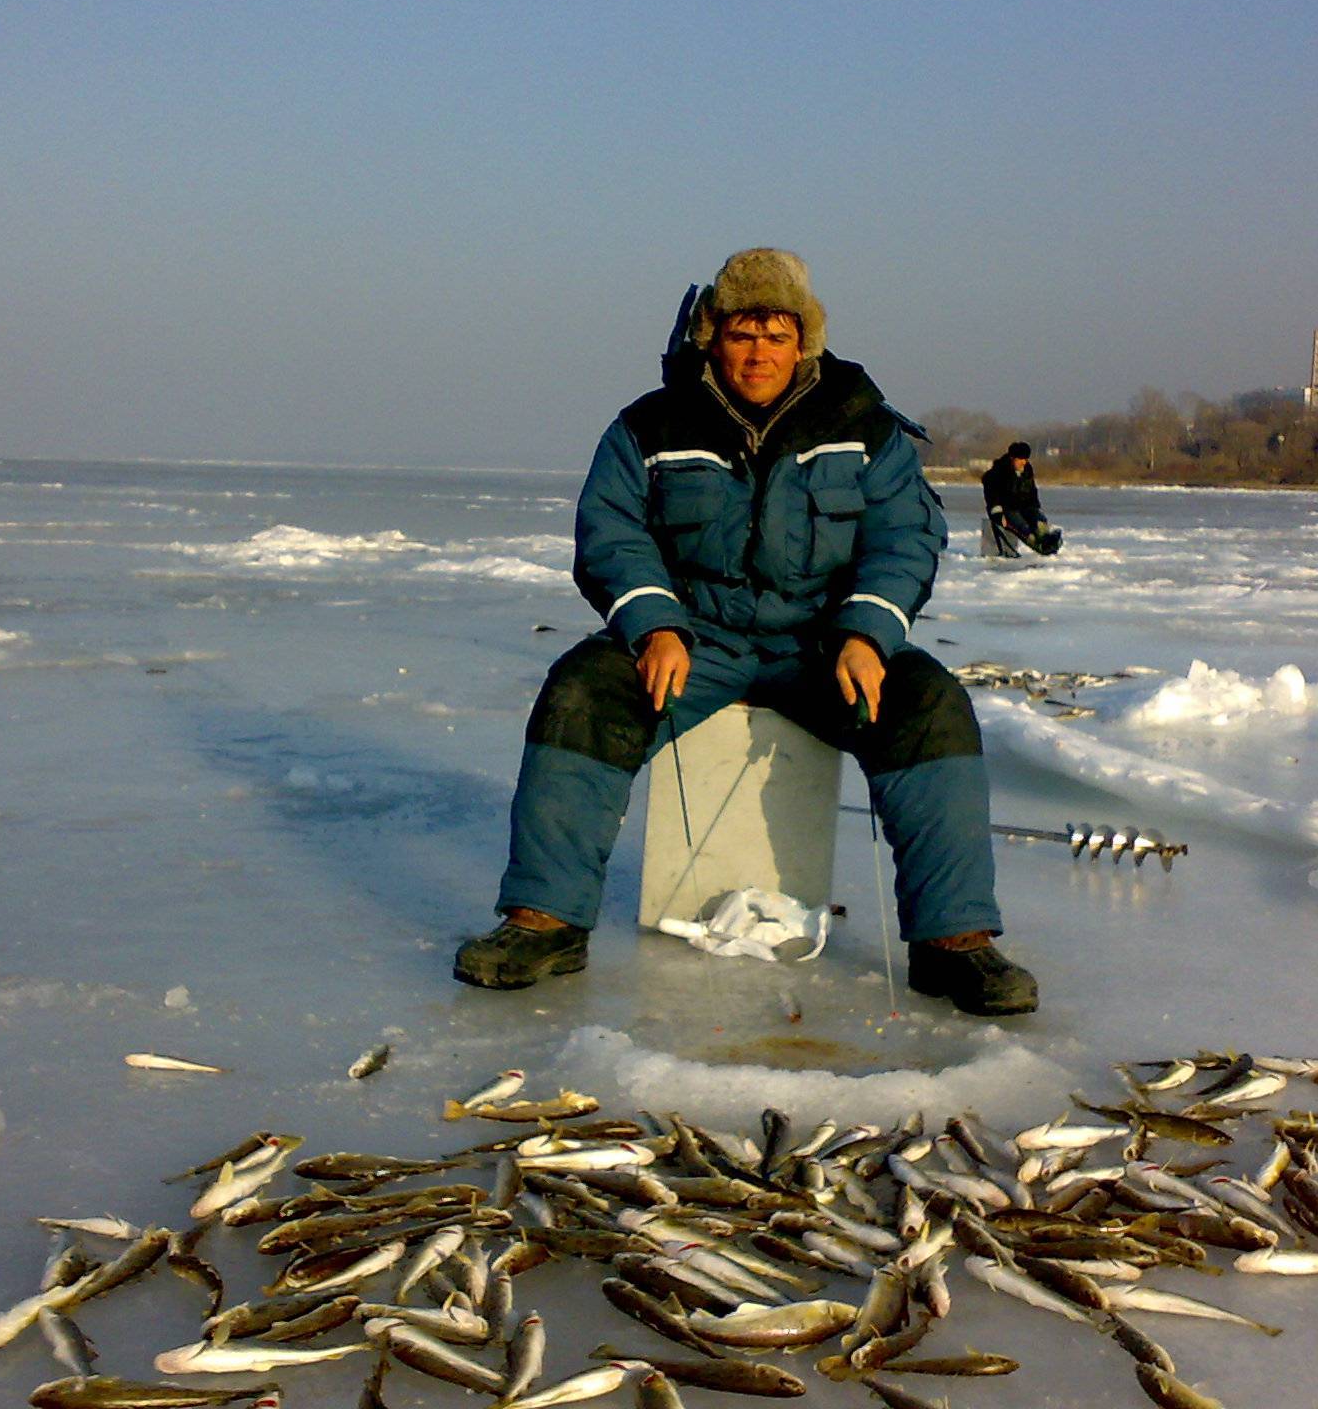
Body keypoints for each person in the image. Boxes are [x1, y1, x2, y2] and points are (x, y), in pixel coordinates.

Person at [452, 249, 1038, 1016]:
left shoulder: (863, 421)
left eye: (775, 332)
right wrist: (654, 624)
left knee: (928, 704)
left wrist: (866, 631)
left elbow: (905, 540)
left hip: (823, 647)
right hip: (697, 641)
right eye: (740, 333)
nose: (758, 351)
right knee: (582, 692)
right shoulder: (650, 425)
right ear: (712, 338)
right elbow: (611, 532)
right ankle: (544, 921)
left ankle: (953, 943)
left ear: (804, 341)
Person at [980, 441, 1061, 557]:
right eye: (1021, 459)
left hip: (1025, 506)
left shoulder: (1027, 470)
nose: (1024, 462)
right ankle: (1040, 547)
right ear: (1012, 458)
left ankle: (1048, 539)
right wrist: (997, 512)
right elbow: (992, 497)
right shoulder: (997, 473)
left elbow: (1032, 492)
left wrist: (1036, 508)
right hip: (1007, 508)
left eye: (1026, 459)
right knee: (1022, 527)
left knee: (1039, 520)